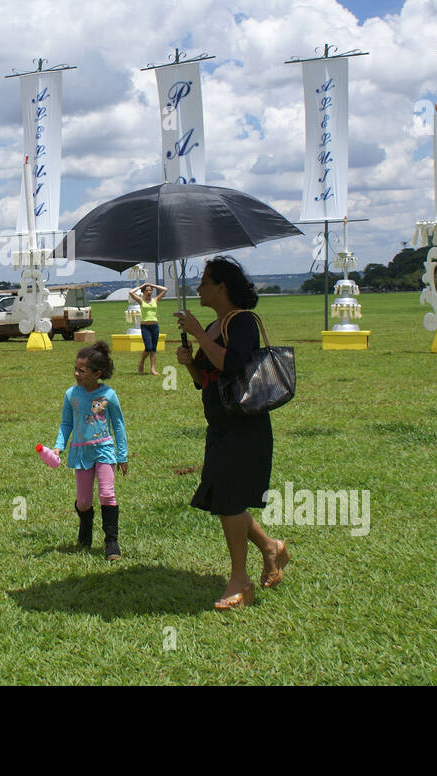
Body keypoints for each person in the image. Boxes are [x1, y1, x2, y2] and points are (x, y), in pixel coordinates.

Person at [175, 257, 288, 610]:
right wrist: (190, 361)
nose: (199, 287)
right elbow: (204, 381)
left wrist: (196, 334)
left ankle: (240, 579)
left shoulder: (240, 323)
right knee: (223, 497)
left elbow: (234, 364)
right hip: (220, 424)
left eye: (205, 281)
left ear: (223, 287)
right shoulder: (212, 326)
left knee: (228, 500)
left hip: (244, 425)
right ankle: (271, 548)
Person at [51, 340, 128, 560]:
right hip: (80, 453)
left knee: (107, 494)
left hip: (104, 450)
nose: (76, 374)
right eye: (75, 369)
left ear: (97, 373)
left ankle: (111, 542)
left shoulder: (109, 394)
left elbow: (119, 425)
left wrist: (121, 454)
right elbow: (66, 423)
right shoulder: (71, 394)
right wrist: (59, 447)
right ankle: (85, 529)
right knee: (84, 502)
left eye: (81, 371)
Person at [129, 282, 168, 375]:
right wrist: (141, 286)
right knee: (148, 347)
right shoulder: (141, 301)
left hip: (155, 326)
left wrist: (152, 285)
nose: (149, 292)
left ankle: (152, 369)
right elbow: (131, 292)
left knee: (153, 348)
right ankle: (141, 362)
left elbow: (165, 290)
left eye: (150, 290)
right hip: (145, 326)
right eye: (147, 290)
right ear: (143, 292)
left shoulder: (155, 300)